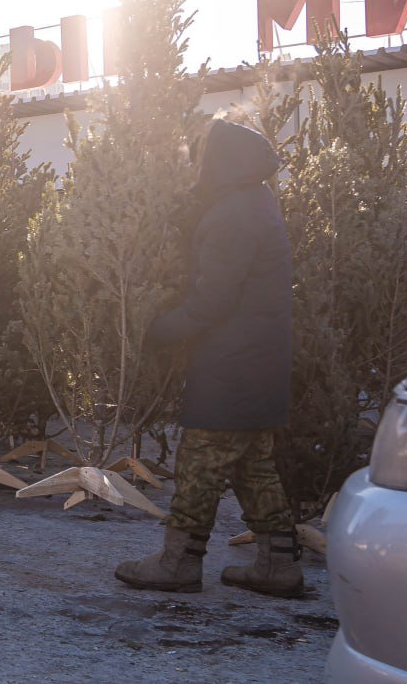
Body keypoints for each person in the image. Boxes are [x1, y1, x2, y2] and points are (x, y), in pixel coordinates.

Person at [114, 118, 302, 598]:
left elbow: (210, 302)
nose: (196, 167)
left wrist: (155, 330)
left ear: (222, 161)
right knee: (252, 465)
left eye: (202, 157)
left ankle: (178, 562)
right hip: (260, 363)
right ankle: (278, 564)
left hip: (230, 365)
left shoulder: (231, 215)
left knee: (199, 462)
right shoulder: (259, 203)